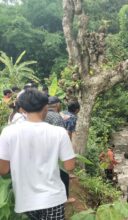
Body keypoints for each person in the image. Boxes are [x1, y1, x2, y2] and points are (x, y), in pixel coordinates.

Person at [0, 89, 75, 219]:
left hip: (25, 200)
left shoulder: (8, 132)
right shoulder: (59, 132)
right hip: (53, 198)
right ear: (46, 107)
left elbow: (3, 169)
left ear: (22, 109)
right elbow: (69, 166)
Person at [45, 96, 76, 203]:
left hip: (44, 150)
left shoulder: (42, 114)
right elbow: (60, 135)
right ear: (57, 105)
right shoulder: (56, 117)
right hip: (54, 150)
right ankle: (65, 198)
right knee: (63, 174)